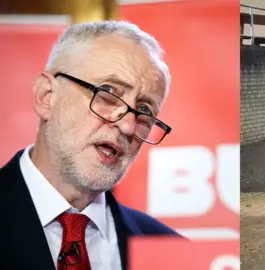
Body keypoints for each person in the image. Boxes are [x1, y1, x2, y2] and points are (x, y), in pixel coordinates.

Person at [0, 20, 184, 270]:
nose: (127, 126)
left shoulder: (173, 254)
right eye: (108, 92)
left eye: (144, 110)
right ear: (47, 97)